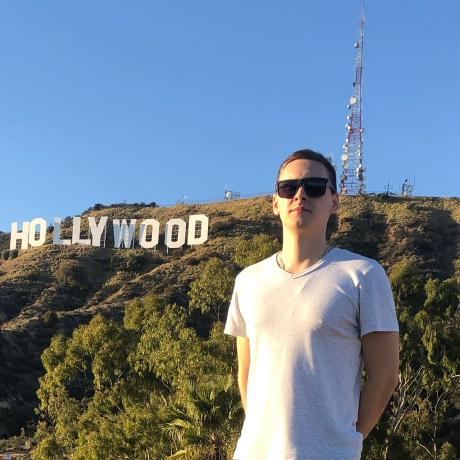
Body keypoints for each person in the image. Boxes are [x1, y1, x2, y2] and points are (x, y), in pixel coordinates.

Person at [224, 149, 400, 460]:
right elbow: (246, 372)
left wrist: (347, 442)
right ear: (275, 203)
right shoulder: (248, 281)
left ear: (334, 201)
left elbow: (385, 374)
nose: (300, 195)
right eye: (288, 188)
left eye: (315, 187)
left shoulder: (363, 275)